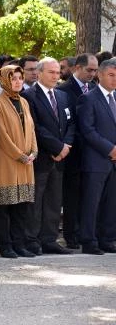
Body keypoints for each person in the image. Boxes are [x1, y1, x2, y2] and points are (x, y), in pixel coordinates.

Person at [22, 58, 75, 255]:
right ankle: (32, 240)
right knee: (35, 201)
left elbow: (71, 123)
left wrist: (66, 146)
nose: (56, 76)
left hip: (61, 158)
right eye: (51, 72)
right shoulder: (28, 96)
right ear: (39, 73)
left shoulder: (62, 96)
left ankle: (49, 239)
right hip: (42, 157)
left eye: (57, 72)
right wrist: (56, 147)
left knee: (54, 200)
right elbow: (36, 127)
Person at [0, 65, 37, 258]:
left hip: (26, 161)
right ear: (4, 80)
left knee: (21, 206)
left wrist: (33, 151)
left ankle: (19, 244)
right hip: (6, 160)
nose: (17, 81)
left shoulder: (24, 101)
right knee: (3, 207)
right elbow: (1, 134)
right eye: (13, 78)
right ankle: (5, 245)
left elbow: (31, 130)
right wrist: (20, 155)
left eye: (20, 78)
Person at [57, 53, 98, 249]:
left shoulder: (95, 89)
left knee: (87, 195)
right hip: (71, 151)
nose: (92, 74)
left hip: (93, 153)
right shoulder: (63, 90)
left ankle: (85, 232)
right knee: (71, 196)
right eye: (89, 70)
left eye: (95, 70)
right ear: (77, 68)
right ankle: (71, 234)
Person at [76, 58, 116, 255]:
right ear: (99, 75)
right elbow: (87, 130)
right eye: (111, 75)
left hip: (114, 162)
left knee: (111, 202)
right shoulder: (88, 98)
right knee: (92, 202)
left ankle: (107, 239)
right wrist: (110, 149)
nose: (114, 79)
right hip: (96, 160)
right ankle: (89, 241)